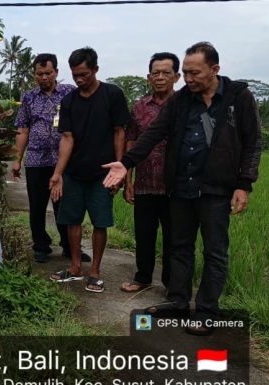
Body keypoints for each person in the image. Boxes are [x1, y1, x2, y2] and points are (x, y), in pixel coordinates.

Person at [102, 42, 261, 335]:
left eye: (194, 73)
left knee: (215, 251)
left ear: (215, 69)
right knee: (179, 247)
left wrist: (244, 184)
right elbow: (154, 133)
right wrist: (126, 163)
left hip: (216, 189)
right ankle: (177, 301)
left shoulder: (239, 97)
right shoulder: (181, 100)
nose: (187, 79)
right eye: (185, 73)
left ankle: (206, 311)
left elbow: (252, 143)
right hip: (181, 187)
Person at [47, 47, 130, 293]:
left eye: (84, 74)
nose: (79, 80)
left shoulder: (112, 95)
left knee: (99, 222)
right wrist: (58, 173)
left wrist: (120, 170)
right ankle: (75, 267)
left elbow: (120, 133)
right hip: (74, 172)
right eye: (75, 75)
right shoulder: (69, 100)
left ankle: (94, 271)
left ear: (95, 69)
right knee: (72, 220)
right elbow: (67, 139)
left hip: (102, 174)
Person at [12, 53, 91, 263]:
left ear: (56, 72)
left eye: (48, 73)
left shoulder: (69, 93)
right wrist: (17, 158)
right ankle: (41, 246)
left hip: (64, 162)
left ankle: (69, 246)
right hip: (36, 161)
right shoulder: (29, 97)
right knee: (37, 206)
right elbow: (23, 129)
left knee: (65, 206)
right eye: (39, 74)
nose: (44, 77)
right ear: (34, 75)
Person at [120, 52, 181, 294]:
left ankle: (170, 283)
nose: (160, 77)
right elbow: (131, 143)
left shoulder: (184, 105)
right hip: (145, 182)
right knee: (144, 234)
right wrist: (128, 180)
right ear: (148, 77)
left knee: (173, 238)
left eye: (166, 72)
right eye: (156, 73)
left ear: (177, 77)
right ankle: (143, 277)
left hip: (174, 186)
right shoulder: (139, 107)